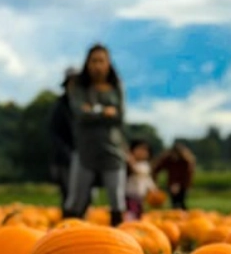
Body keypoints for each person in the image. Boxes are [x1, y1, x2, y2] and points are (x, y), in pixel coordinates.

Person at [63, 44, 128, 226]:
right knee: (76, 198)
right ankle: (65, 238)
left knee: (117, 198)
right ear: (87, 63)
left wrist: (93, 111)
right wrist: (104, 112)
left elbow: (120, 116)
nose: (97, 66)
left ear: (108, 64)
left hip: (112, 150)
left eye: (101, 61)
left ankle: (119, 239)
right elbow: (80, 113)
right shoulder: (78, 86)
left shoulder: (117, 86)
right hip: (85, 150)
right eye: (94, 61)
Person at [48, 67, 80, 210]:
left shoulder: (84, 106)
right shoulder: (60, 107)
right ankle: (69, 223)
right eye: (71, 83)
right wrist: (67, 152)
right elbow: (54, 133)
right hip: (65, 158)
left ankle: (82, 224)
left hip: (84, 157)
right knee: (68, 193)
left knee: (84, 195)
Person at [151, 141, 197, 210]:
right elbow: (156, 169)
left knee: (181, 202)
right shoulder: (168, 160)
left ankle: (182, 217)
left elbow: (187, 175)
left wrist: (181, 185)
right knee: (174, 203)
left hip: (182, 185)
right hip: (171, 184)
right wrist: (155, 183)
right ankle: (176, 216)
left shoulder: (185, 162)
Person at [125, 139, 156, 221]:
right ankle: (129, 224)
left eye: (145, 150)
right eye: (139, 149)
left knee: (139, 212)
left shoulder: (144, 165)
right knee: (130, 212)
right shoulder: (126, 166)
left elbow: (145, 177)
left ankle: (136, 224)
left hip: (140, 195)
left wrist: (153, 189)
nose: (142, 152)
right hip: (129, 194)